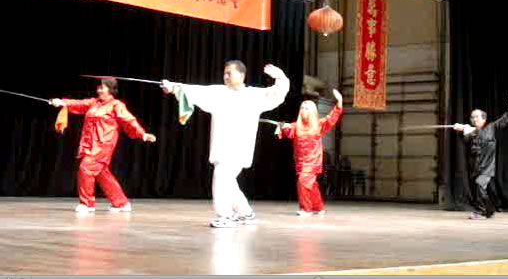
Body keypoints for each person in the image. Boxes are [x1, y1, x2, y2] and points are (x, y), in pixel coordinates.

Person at [161, 61, 290, 228]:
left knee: (222, 177)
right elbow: (193, 90)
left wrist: (280, 76)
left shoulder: (254, 96)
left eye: (230, 73)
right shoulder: (218, 93)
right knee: (228, 182)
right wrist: (173, 87)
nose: (226, 76)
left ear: (242, 75)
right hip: (222, 147)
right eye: (225, 73)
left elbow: (277, 93)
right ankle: (246, 213)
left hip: (240, 148)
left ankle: (226, 215)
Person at [50, 78, 157, 213]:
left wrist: (142, 134)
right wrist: (61, 102)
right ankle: (121, 203)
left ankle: (87, 204)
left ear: (111, 89)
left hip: (104, 145)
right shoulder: (94, 103)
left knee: (86, 168)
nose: (99, 90)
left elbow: (129, 120)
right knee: (101, 173)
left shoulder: (116, 105)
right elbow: (78, 103)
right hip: (89, 143)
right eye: (98, 87)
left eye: (102, 88)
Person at [453, 92, 508, 220]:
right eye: (472, 118)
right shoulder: (471, 132)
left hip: (487, 166)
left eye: (477, 117)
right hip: (475, 166)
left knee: (479, 185)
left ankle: (482, 212)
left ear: (484, 118)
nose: (474, 119)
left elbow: (505, 119)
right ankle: (489, 211)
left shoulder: (492, 127)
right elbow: (466, 142)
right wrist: (462, 130)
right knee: (479, 189)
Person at [278, 89, 343, 216]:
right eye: (302, 108)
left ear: (313, 111)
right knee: (311, 185)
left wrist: (339, 102)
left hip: (313, 161)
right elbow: (289, 133)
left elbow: (332, 118)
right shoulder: (296, 125)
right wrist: (283, 127)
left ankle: (306, 208)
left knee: (303, 181)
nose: (304, 110)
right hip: (300, 161)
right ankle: (318, 207)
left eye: (307, 108)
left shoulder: (319, 125)